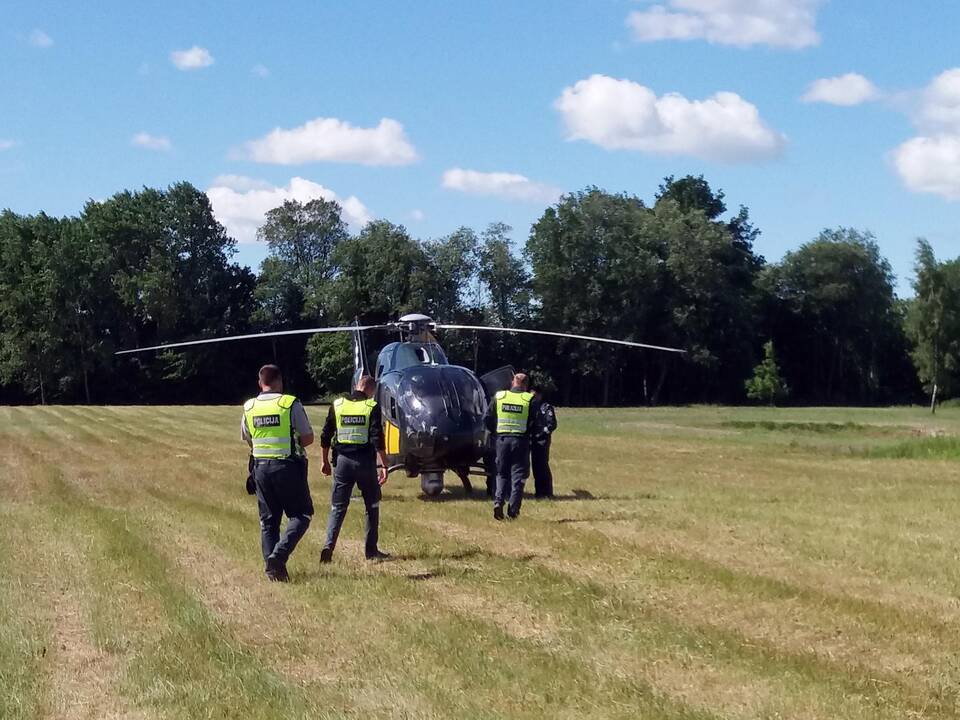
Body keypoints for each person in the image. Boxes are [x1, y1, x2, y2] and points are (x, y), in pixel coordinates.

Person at [242, 364, 315, 582]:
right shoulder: (289, 403)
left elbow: (247, 437)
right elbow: (308, 437)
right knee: (301, 515)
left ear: (260, 382)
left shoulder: (249, 406)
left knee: (268, 521)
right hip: (287, 466)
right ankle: (278, 556)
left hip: (260, 469)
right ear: (279, 381)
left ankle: (273, 571)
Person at [319, 375, 390, 562]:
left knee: (338, 507)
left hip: (342, 461)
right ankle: (371, 550)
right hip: (365, 462)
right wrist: (384, 464)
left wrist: (324, 461)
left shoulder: (338, 404)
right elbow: (377, 438)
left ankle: (329, 545)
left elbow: (326, 435)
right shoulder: (371, 407)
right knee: (372, 505)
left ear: (357, 386)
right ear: (371, 391)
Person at [484, 373, 541, 520]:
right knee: (518, 476)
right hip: (520, 441)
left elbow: (487, 418)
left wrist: (495, 431)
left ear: (512, 382)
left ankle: (498, 502)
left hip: (502, 440)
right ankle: (513, 510)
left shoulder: (500, 396)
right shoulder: (529, 399)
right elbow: (536, 422)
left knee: (501, 474)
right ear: (526, 385)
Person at [531, 391, 557, 498]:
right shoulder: (532, 407)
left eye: (534, 395)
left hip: (542, 441)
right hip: (533, 440)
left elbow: (552, 424)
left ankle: (547, 492)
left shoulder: (546, 407)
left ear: (539, 395)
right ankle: (539, 492)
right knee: (536, 466)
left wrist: (541, 433)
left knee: (543, 465)